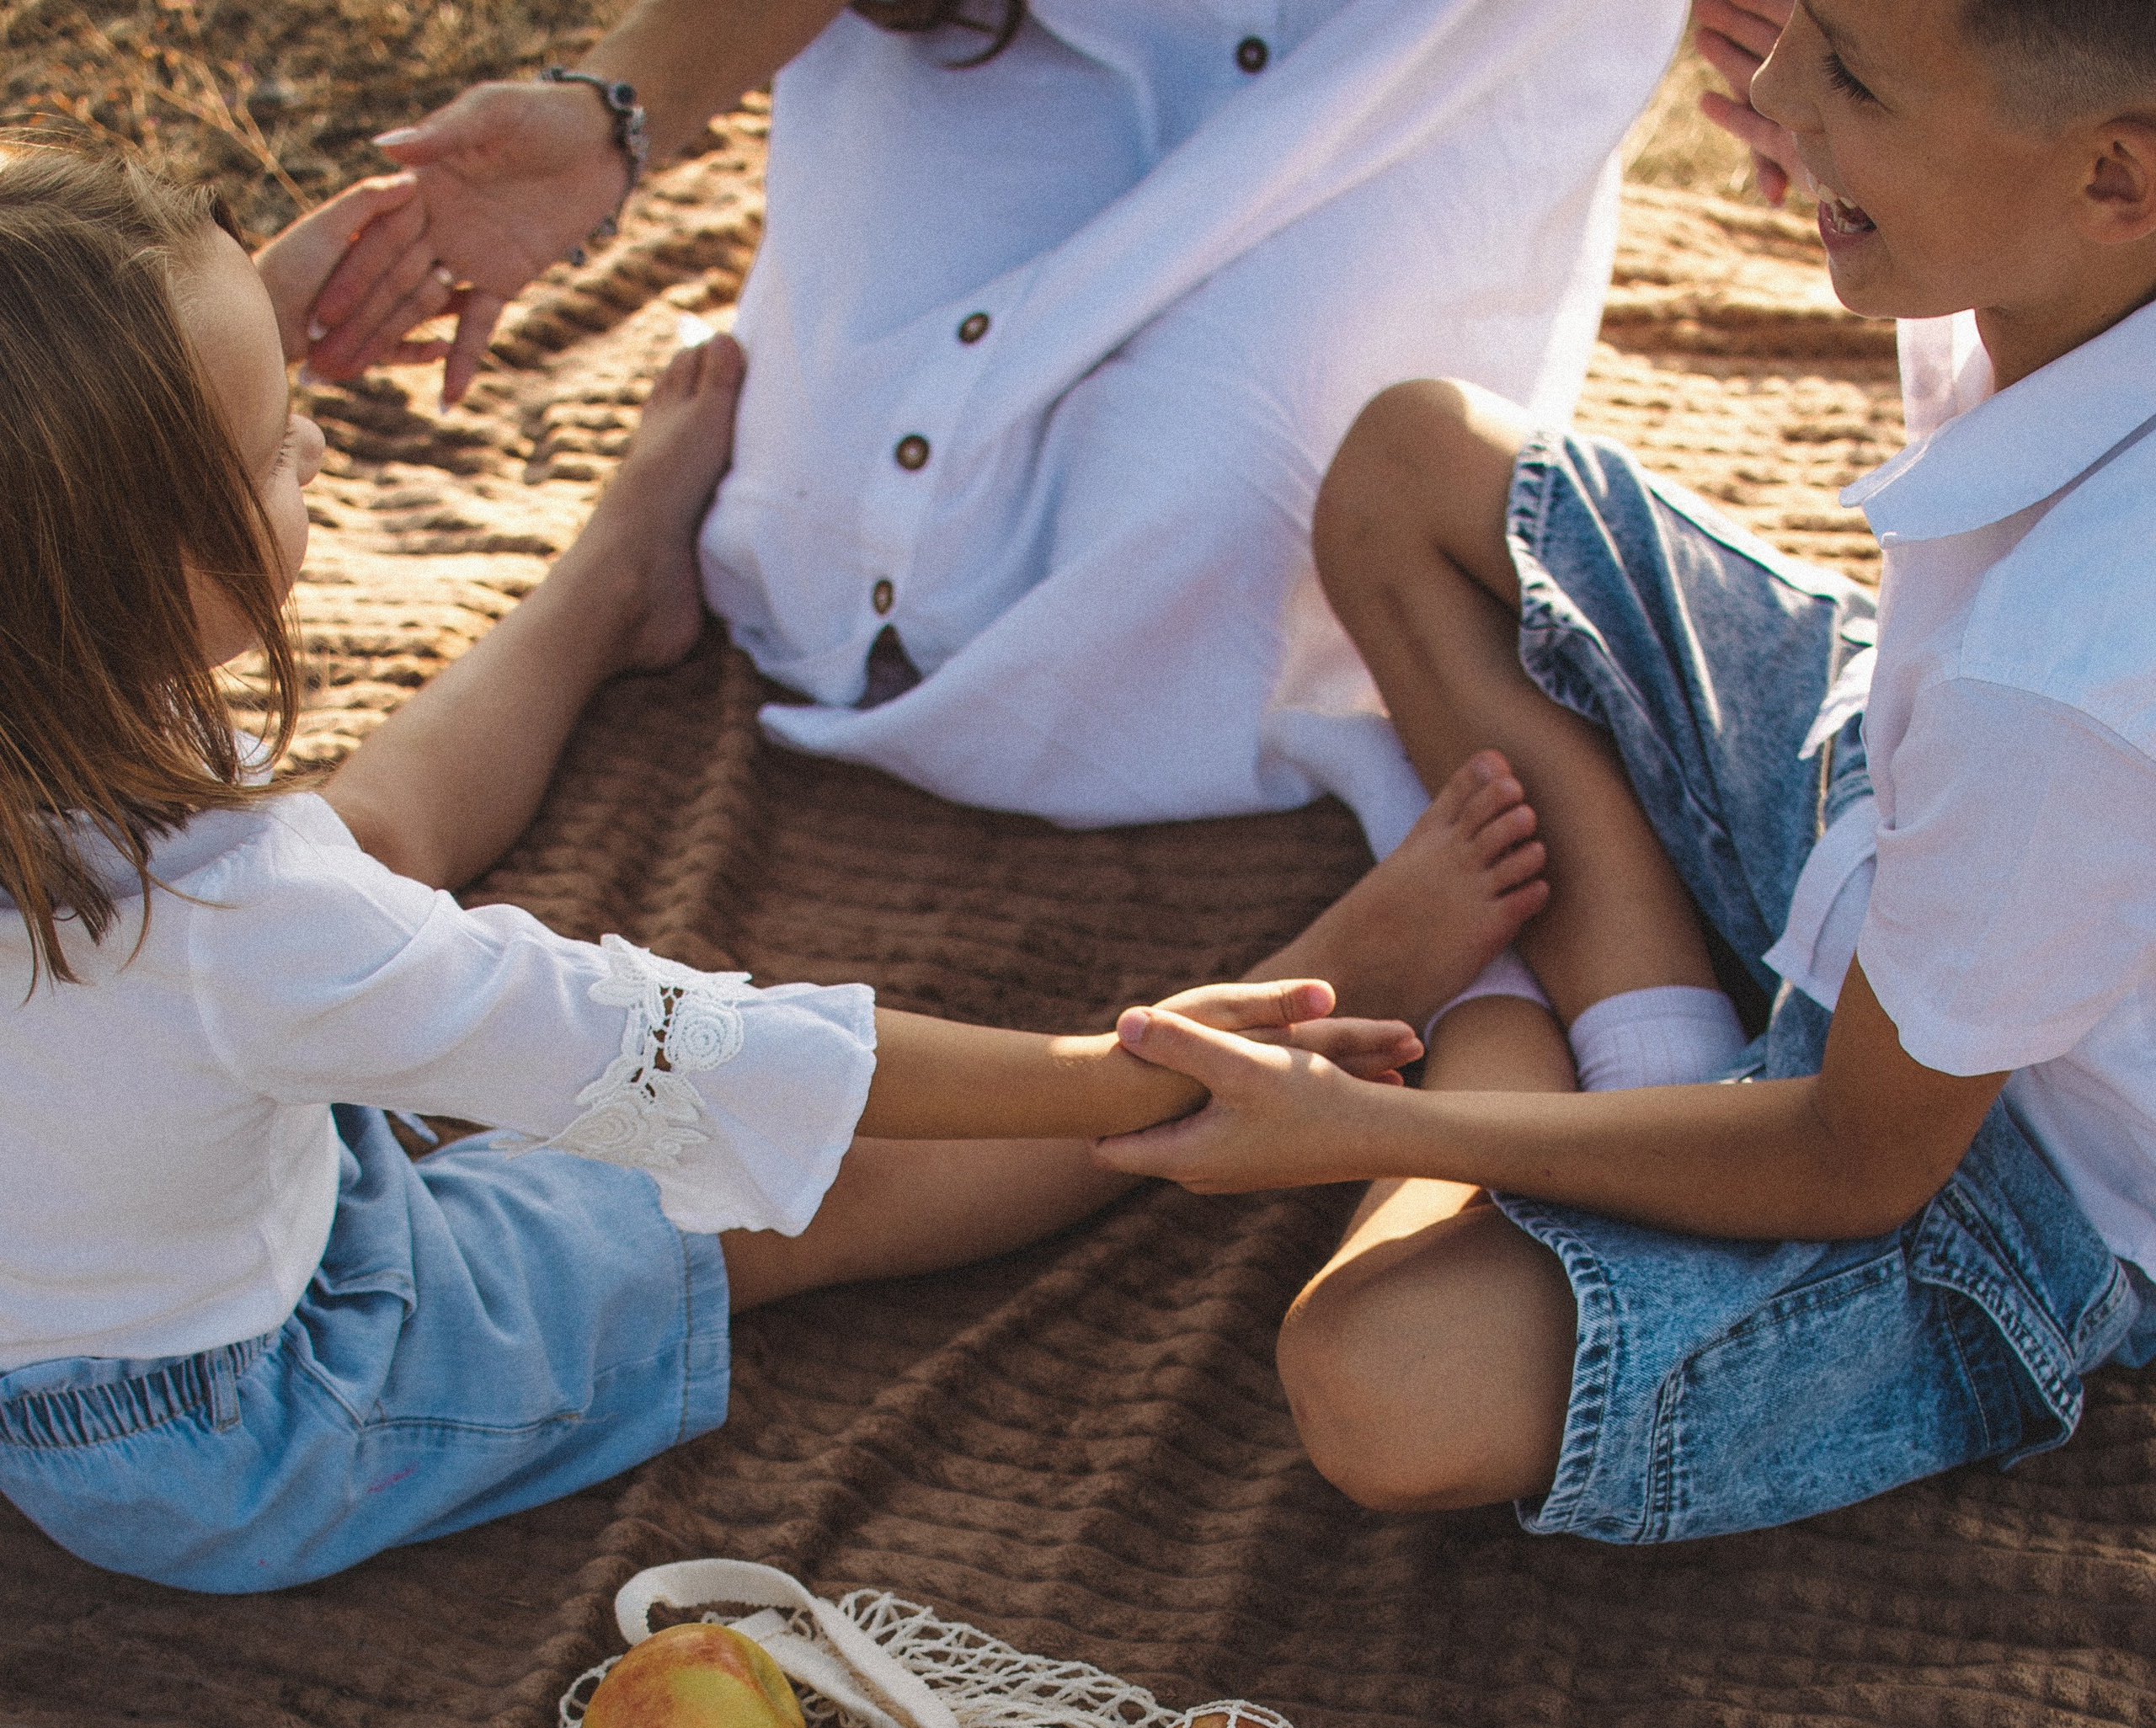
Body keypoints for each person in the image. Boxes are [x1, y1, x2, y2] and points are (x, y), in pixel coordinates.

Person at [0, 140, 1572, 1596]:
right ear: (132, 540)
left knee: (372, 843)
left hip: (73, 1307)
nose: (321, 443)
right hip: (259, 1415)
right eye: (278, 444)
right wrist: (1096, 1071)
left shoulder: (57, 677)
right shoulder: (230, 912)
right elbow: (676, 1056)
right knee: (787, 1186)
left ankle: (615, 584)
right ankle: (1235, 1040)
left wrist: (173, 343)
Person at [1092, 0, 2156, 1543]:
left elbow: (1859, 1156)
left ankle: (1556, 1028)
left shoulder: (2072, 668)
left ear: (2117, 181)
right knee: (1415, 462)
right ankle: (1659, 1044)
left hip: (2011, 1154)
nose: (1778, 83)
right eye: (1806, 23)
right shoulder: (2075, 252)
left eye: (1849, 72)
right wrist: (1861, 176)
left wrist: (1390, 1127)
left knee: (1376, 1376)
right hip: (1917, 792)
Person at [296, 0, 1689, 861]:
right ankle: (619, 568)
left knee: (1203, 548)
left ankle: (616, 574)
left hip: (1403, 63)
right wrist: (615, 113)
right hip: (1029, 22)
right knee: (826, 529)